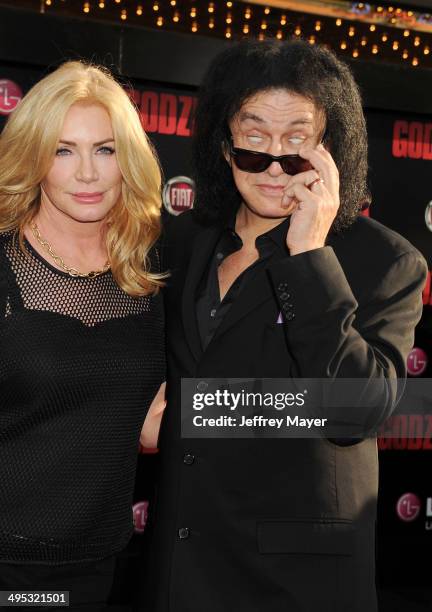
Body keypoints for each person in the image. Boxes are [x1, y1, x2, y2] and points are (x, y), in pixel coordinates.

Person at [142, 39, 427, 612]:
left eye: (298, 142)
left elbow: (353, 409)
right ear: (225, 146)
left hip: (295, 585)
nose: (275, 165)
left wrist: (307, 257)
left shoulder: (385, 262)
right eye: (254, 142)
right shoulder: (182, 242)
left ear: (332, 149)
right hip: (178, 570)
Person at [0, 61, 165, 610]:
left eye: (106, 149)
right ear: (34, 157)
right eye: (64, 150)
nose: (88, 173)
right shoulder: (4, 264)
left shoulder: (150, 274)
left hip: (99, 562)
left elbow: (150, 421)